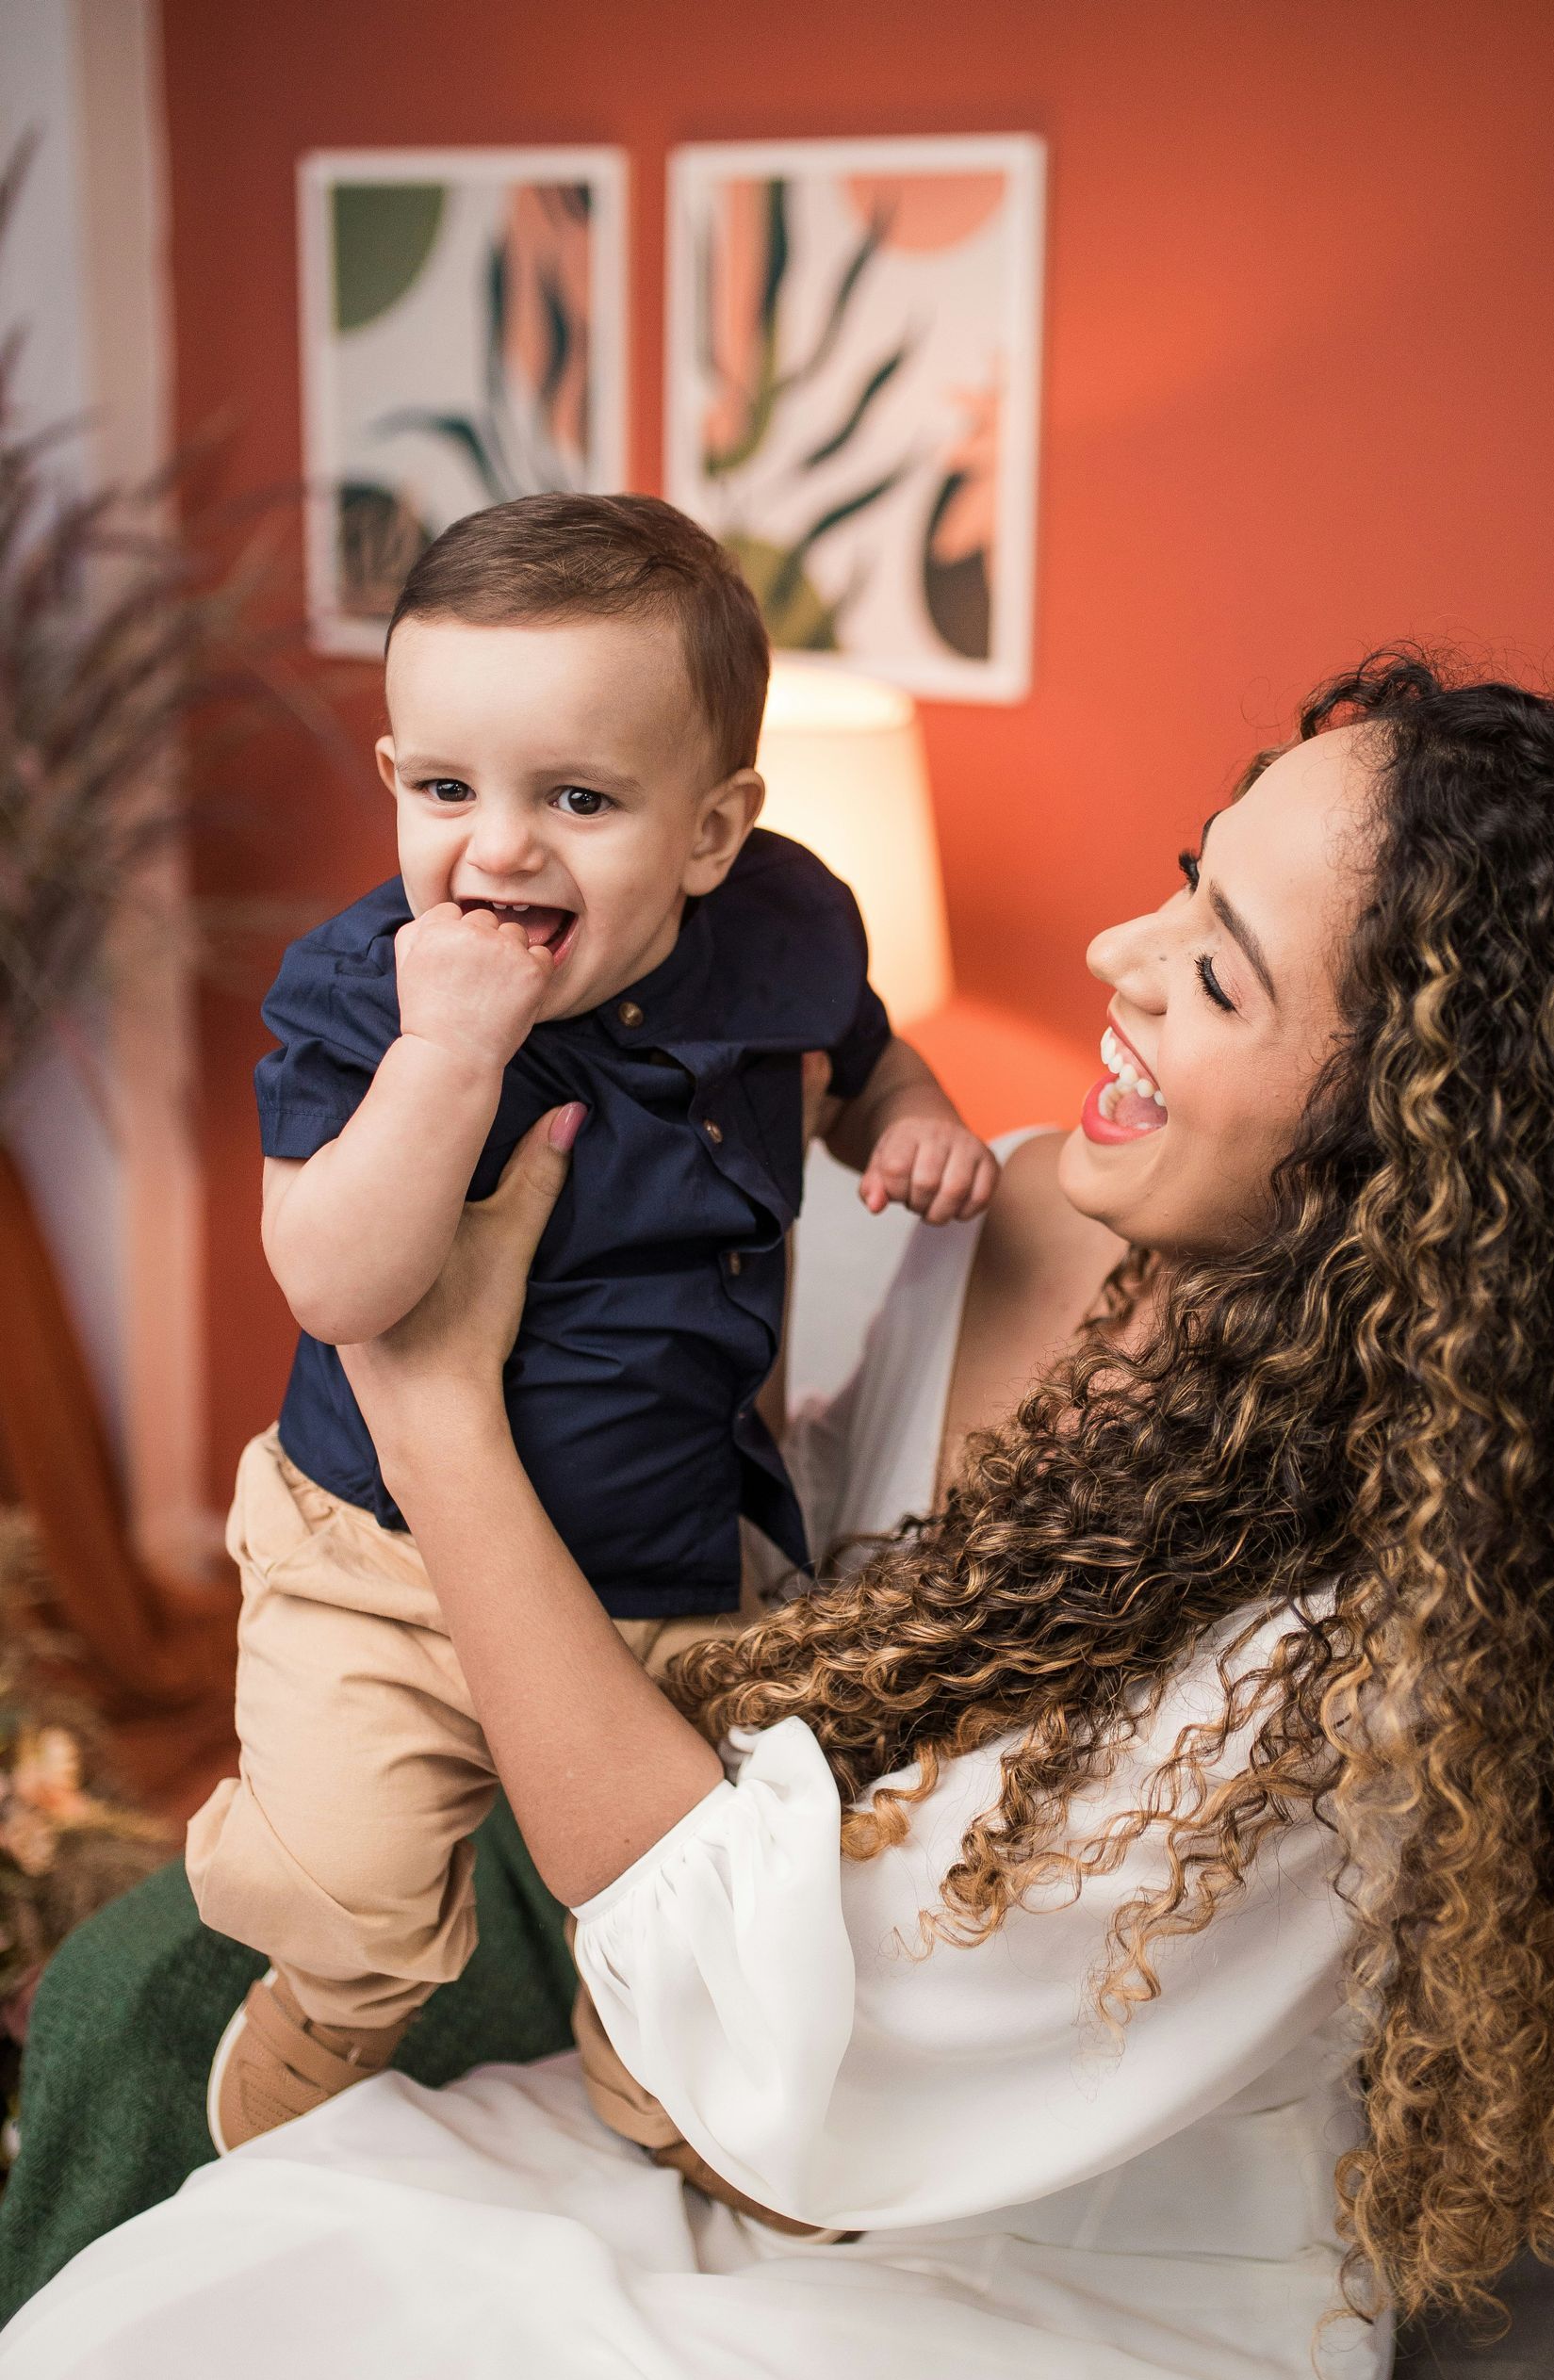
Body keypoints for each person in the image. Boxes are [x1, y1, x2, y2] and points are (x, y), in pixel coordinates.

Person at [2, 656, 1554, 2380]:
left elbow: (815, 2079)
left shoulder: (1370, 1656)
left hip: (1021, 2288)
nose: (1121, 959)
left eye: (1217, 978)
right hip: (689, 2096)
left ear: (1420, 1148)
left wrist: (435, 1423)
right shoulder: (1018, 1213)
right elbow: (780, 1627)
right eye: (1180, 888)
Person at [186, 492, 993, 2152]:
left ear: (712, 830)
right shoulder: (366, 992)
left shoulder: (786, 923)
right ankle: (322, 2012)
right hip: (382, 1558)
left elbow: (856, 1049)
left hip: (667, 1557)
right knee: (344, 1876)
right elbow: (337, 1284)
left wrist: (907, 1117)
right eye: (445, 790)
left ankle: (653, 2085)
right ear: (397, 770)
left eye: (578, 797)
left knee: (703, 1914)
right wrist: (448, 1059)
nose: (496, 849)